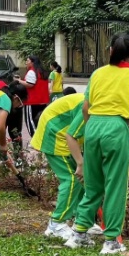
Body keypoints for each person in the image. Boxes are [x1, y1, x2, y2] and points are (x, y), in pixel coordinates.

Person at [65, 33, 129, 255]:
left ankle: (79, 233)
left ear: (110, 50)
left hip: (93, 125)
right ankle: (111, 241)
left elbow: (85, 108)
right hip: (116, 127)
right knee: (115, 186)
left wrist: (93, 128)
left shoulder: (97, 73)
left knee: (93, 183)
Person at [30, 90, 87, 240]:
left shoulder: (102, 108)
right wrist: (80, 163)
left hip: (66, 135)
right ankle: (57, 223)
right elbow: (72, 135)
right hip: (56, 134)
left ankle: (81, 220)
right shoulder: (91, 107)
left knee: (82, 180)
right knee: (72, 179)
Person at [17, 56, 50, 137]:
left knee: (30, 122)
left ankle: (36, 141)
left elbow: (30, 84)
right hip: (43, 101)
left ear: (32, 62)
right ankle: (41, 139)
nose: (26, 62)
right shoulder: (42, 72)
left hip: (32, 101)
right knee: (40, 122)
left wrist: (19, 81)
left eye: (27, 60)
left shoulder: (32, 71)